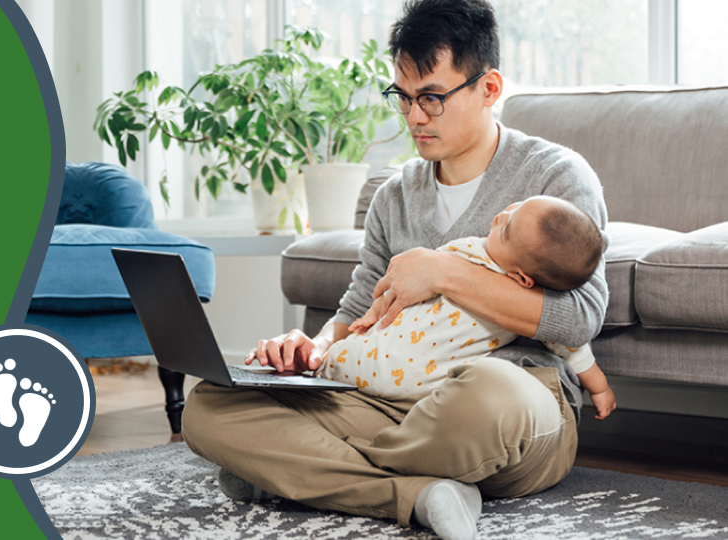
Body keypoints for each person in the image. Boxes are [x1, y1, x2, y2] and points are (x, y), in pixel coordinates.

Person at [182, 1, 611, 539]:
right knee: (208, 406)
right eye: (403, 98)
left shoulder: (556, 179)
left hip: (509, 403)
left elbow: (580, 319)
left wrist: (444, 272)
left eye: (432, 98)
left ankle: (301, 471)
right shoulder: (394, 195)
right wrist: (311, 348)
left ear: (490, 87)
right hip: (386, 406)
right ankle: (421, 493)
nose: (413, 117)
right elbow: (359, 307)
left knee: (490, 392)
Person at [320, 195, 616, 422]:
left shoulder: (469, 251)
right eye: (517, 206)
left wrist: (373, 314)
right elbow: (573, 349)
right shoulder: (526, 294)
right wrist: (599, 388)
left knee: (333, 364)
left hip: (388, 359)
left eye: (507, 230)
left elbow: (399, 281)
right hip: (422, 386)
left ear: (522, 278)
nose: (501, 215)